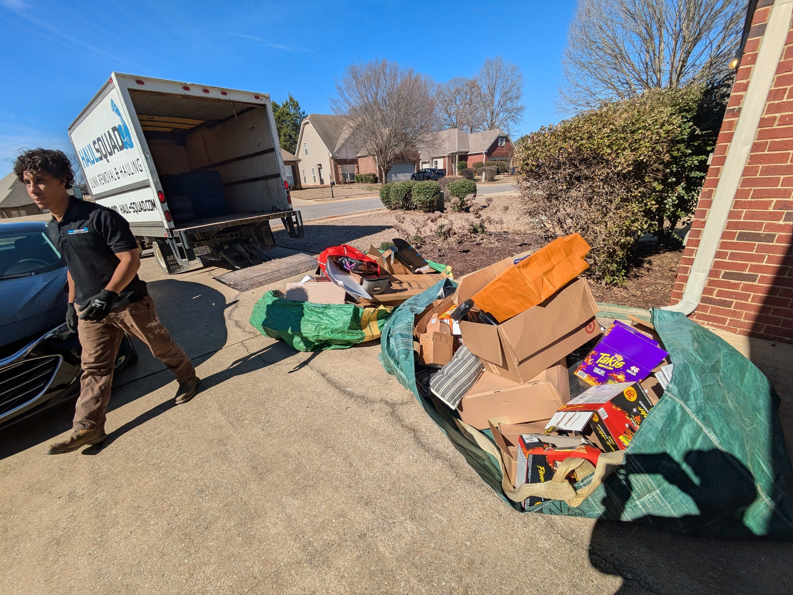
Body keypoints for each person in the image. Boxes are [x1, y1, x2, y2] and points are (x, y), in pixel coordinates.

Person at [14, 149, 200, 454]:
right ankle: (88, 429)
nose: (33, 190)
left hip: (128, 302)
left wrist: (108, 294)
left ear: (62, 182)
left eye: (41, 181)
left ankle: (189, 379)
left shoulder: (99, 217)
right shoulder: (52, 227)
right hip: (90, 311)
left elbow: (130, 259)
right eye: (27, 182)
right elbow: (73, 268)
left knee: (160, 346)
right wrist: (71, 304)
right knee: (94, 369)